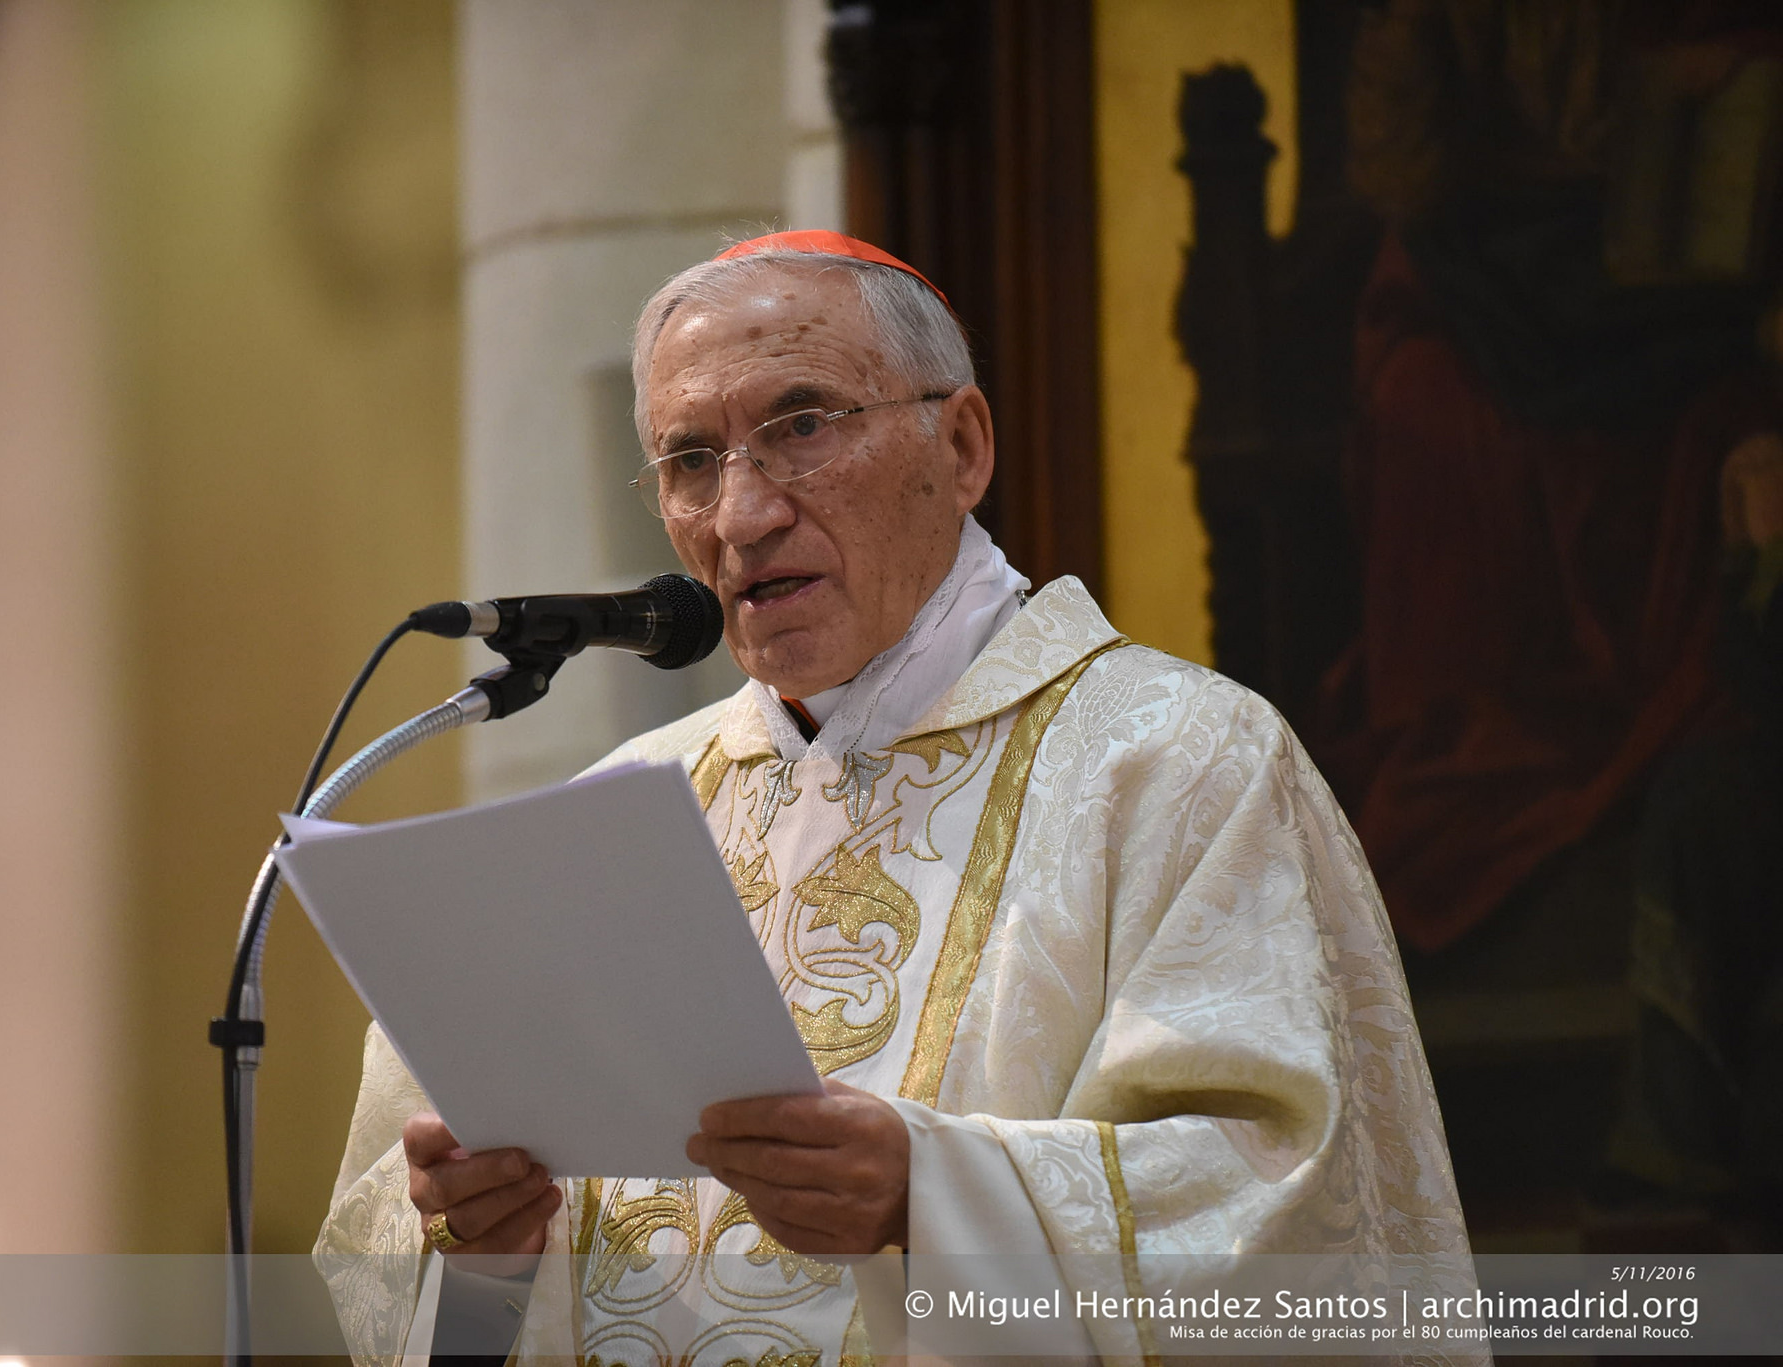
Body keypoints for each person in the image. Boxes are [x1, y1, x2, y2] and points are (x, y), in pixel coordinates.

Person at [314, 231, 1478, 1365]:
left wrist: (931, 1193)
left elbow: (1296, 1210)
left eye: (801, 426)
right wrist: (479, 1247)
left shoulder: (1178, 760)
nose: (738, 516)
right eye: (688, 461)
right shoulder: (605, 817)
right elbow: (398, 1273)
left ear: (961, 445)